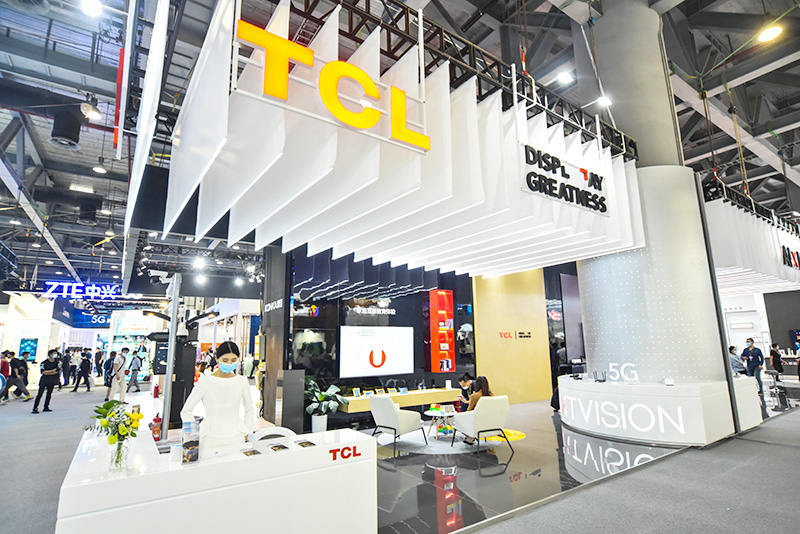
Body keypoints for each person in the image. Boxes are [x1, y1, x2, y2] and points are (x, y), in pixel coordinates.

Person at [180, 341, 254, 454]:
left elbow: (250, 409)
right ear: (217, 359)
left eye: (233, 360)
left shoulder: (241, 381)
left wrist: (247, 431)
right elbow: (186, 411)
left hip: (236, 436)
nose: (229, 363)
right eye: (225, 360)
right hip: (210, 437)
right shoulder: (205, 381)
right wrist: (193, 435)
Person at [463, 375, 494, 444]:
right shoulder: (491, 395)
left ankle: (469, 437)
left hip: (476, 421)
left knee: (463, 418)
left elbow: (469, 410)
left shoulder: (474, 396)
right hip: (489, 421)